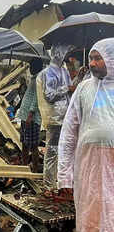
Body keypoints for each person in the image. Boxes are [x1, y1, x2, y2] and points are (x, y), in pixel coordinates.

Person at [58, 38, 114, 232]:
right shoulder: (83, 89)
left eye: (97, 58)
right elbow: (69, 133)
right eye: (91, 58)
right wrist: (64, 175)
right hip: (89, 168)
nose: (92, 63)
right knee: (89, 225)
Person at [36, 45, 76, 191]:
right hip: (54, 119)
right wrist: (67, 88)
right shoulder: (47, 74)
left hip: (65, 118)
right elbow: (49, 95)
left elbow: (71, 91)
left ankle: (58, 184)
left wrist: (79, 78)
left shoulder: (64, 71)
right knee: (52, 153)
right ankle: (48, 187)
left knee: (62, 152)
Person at [17, 58, 44, 172]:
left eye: (31, 66)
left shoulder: (38, 79)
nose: (30, 69)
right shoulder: (34, 79)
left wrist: (30, 115)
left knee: (32, 146)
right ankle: (24, 167)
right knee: (24, 143)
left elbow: (37, 99)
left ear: (36, 67)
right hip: (25, 116)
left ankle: (35, 170)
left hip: (31, 118)